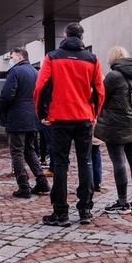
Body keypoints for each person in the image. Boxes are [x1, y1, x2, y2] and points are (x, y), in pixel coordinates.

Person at [35, 22, 105, 226]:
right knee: (85, 162)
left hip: (60, 117)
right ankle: (85, 209)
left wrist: (42, 113)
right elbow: (100, 91)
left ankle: (61, 212)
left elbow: (40, 86)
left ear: (65, 35)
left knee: (60, 164)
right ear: (82, 37)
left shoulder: (52, 57)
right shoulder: (92, 59)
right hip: (83, 116)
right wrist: (94, 114)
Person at [95, 46, 132, 214]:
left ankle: (122, 202)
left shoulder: (113, 76)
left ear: (113, 58)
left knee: (119, 162)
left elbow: (100, 97)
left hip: (116, 125)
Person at [0, 47, 50, 198]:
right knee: (29, 150)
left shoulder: (15, 72)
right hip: (32, 117)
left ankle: (23, 185)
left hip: (17, 117)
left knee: (17, 151)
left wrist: (2, 111)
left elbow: (7, 95)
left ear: (20, 57)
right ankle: (41, 181)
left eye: (11, 57)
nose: (10, 60)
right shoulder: (35, 72)